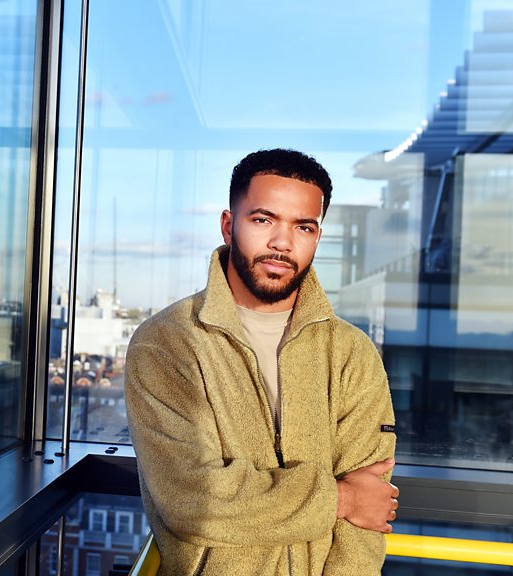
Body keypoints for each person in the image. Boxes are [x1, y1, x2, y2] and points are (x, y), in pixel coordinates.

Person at [125, 149, 398, 575]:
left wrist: (354, 502)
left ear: (317, 237)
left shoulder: (352, 353)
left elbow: (367, 519)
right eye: (263, 220)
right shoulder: (167, 342)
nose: (282, 243)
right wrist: (341, 498)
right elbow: (194, 502)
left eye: (303, 227)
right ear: (228, 226)